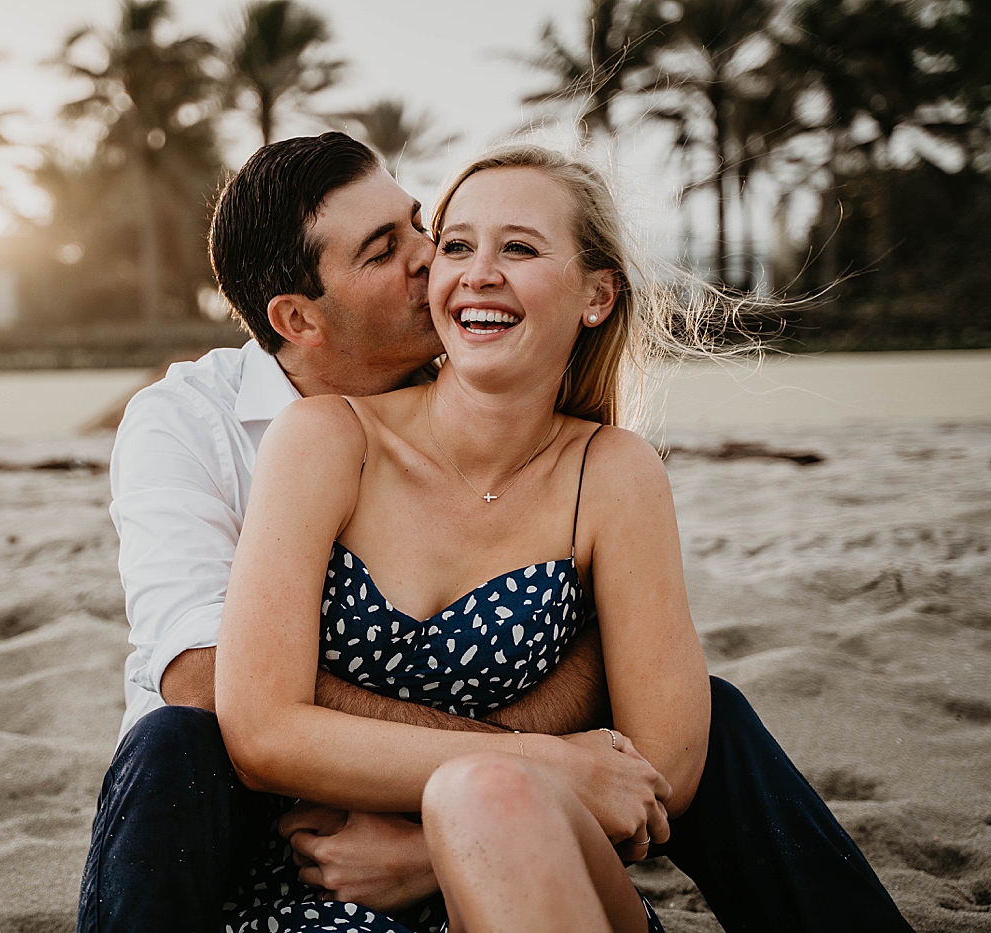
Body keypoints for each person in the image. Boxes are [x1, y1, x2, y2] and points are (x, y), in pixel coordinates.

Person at [76, 133, 913, 933]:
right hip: (251, 800)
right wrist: (543, 767)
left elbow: (606, 654)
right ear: (299, 318)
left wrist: (440, 832)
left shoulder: (510, 388)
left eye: (419, 227)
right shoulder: (200, 423)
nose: (435, 261)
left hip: (490, 806)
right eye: (384, 250)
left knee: (706, 713)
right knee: (169, 742)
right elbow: (208, 681)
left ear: (597, 294)